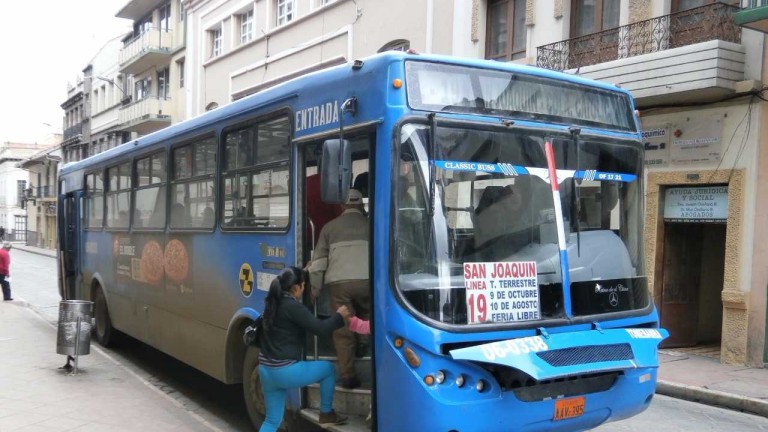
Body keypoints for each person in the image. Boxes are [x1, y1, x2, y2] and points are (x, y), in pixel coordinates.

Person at [258, 267, 351, 431]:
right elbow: (320, 329)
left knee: (272, 421)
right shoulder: (292, 307)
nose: (304, 289)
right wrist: (339, 316)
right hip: (284, 372)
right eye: (303, 285)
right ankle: (326, 413)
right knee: (328, 369)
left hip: (265, 369)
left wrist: (306, 270)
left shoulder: (272, 302)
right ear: (296, 288)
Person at [308, 188, 370, 389]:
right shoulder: (373, 225)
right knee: (367, 317)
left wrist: (315, 290)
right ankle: (363, 343)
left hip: (339, 284)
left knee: (343, 328)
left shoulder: (329, 228)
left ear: (342, 206)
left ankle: (348, 376)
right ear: (361, 205)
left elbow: (318, 264)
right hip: (368, 282)